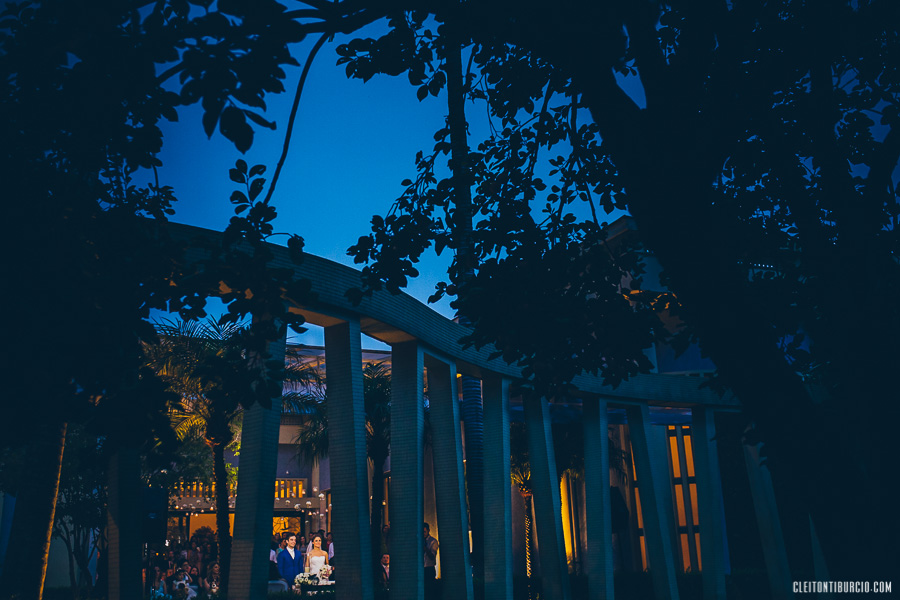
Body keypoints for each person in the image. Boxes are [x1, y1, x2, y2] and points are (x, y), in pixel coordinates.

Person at [423, 523, 439, 599]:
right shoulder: (420, 540)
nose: (423, 534)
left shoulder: (433, 541)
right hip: (422, 568)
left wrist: (425, 548)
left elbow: (432, 556)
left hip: (429, 568)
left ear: (428, 531)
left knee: (430, 590)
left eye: (424, 532)